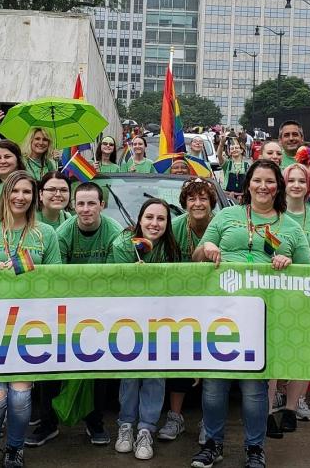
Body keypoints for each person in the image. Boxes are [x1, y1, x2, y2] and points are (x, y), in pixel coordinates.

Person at [191, 159, 310, 468]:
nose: (263, 186)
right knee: (215, 385)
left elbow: (309, 275)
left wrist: (290, 263)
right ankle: (213, 444)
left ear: (278, 187)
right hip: (220, 311)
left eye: (269, 181)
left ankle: (255, 449)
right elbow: (195, 256)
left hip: (263, 316)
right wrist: (208, 251)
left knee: (254, 389)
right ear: (248, 185)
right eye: (257, 180)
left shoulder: (291, 228)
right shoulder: (227, 216)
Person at [0, 171, 61, 468]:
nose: (21, 197)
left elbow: (58, 278)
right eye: (15, 191)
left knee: (20, 401)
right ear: (5, 194)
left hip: (31, 327)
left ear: (35, 198)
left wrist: (26, 264)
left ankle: (15, 450)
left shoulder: (46, 234)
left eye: (27, 192)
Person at [26, 182, 124, 448]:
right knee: (52, 368)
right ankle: (48, 424)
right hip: (65, 310)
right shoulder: (62, 233)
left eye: (92, 203)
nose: (86, 209)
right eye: (80, 203)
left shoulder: (115, 233)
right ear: (73, 206)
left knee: (97, 371)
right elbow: (57, 276)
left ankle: (95, 423)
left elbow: (115, 277)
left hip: (101, 310)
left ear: (102, 206)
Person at [109, 198, 181, 461]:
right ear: (139, 220)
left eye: (161, 219)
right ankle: (126, 425)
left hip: (160, 321)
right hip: (127, 320)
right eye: (149, 217)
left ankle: (146, 429)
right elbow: (115, 282)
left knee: (155, 374)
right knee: (130, 373)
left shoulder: (171, 248)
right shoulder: (123, 244)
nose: (154, 223)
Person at [156, 178, 218, 443]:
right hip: (180, 302)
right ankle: (175, 416)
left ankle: (210, 420)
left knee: (213, 361)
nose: (197, 203)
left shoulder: (223, 224)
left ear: (211, 202)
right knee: (179, 356)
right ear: (184, 203)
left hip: (216, 303)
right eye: (192, 198)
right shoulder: (175, 226)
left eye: (203, 198)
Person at [271, 162, 310, 433]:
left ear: (308, 186)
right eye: (291, 180)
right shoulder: (272, 216)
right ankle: (270, 409)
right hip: (276, 294)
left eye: (301, 181)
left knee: (302, 351)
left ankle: (292, 408)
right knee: (274, 352)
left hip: (306, 292)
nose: (296, 185)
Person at [218, 136, 248, 202]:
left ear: (241, 150)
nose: (234, 150)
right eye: (232, 148)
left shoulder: (247, 165)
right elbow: (219, 155)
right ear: (229, 152)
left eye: (236, 148)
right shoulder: (227, 164)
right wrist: (221, 143)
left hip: (242, 197)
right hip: (228, 196)